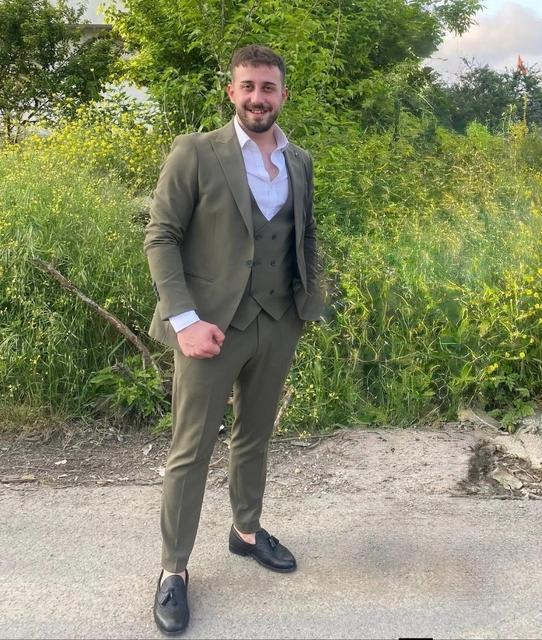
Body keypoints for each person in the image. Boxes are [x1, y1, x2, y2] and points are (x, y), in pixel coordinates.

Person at [144, 44, 324, 635]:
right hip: (209, 328)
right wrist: (184, 320)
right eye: (247, 86)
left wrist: (306, 304)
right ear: (232, 91)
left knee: (255, 435)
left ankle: (246, 532)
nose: (257, 98)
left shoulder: (299, 160)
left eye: (267, 87)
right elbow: (161, 236)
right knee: (191, 449)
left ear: (282, 94)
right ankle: (174, 568)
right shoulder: (196, 152)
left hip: (277, 322)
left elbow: (306, 234)